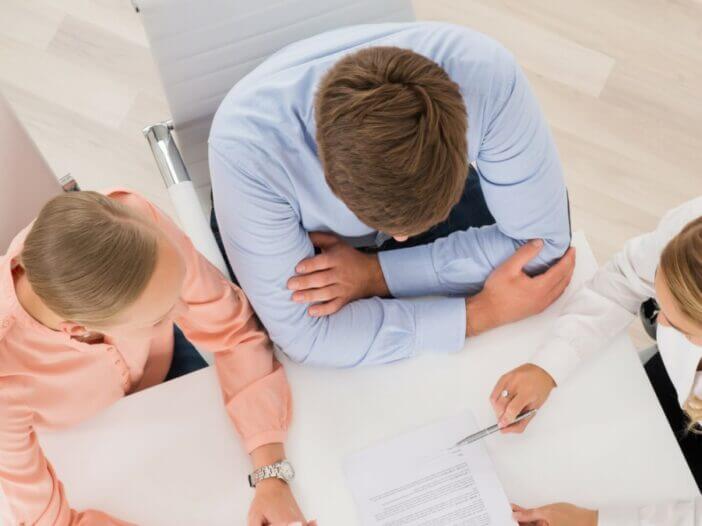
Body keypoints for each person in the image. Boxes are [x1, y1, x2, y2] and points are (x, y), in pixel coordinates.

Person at [209, 22, 575, 367]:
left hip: (413, 194)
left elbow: (543, 246)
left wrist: (375, 274)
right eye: (398, 231)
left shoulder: (486, 74)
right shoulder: (246, 154)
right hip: (295, 230)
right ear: (331, 181)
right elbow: (307, 337)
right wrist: (479, 315)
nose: (403, 240)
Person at [0, 189, 308, 525]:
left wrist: (271, 473)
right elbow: (50, 520)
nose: (185, 311)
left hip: (167, 373)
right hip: (80, 438)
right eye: (161, 318)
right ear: (77, 328)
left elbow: (230, 330)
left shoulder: (133, 225)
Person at [490, 197, 702, 525]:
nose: (657, 322)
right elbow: (623, 281)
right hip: (672, 389)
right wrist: (549, 364)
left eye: (677, 324)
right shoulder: (690, 235)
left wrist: (597, 521)